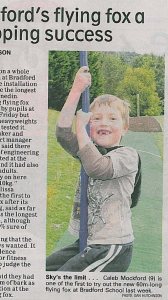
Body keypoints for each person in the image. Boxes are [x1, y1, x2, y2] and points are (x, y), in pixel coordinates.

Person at [46, 66, 140, 272]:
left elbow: (99, 168)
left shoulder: (128, 155)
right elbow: (62, 133)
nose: (103, 122)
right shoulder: (89, 149)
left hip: (112, 245)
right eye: (96, 118)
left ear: (125, 128)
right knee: (45, 270)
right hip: (88, 241)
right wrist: (76, 91)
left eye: (112, 118)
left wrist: (81, 128)